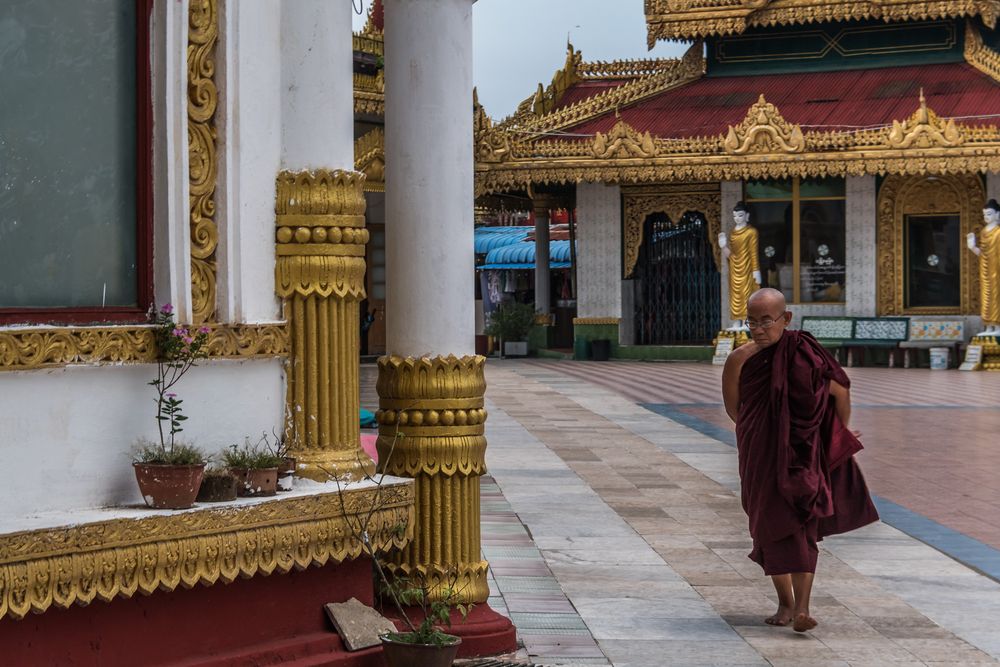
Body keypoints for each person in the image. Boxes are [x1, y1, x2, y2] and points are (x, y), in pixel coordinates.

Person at [721, 288, 878, 632]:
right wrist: (761, 432)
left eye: (766, 321)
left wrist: (833, 435)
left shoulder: (805, 354)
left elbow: (840, 391)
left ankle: (803, 607)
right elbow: (734, 408)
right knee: (765, 523)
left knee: (802, 521)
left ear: (786, 319)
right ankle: (785, 603)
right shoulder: (740, 359)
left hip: (803, 454)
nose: (759, 329)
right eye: (752, 322)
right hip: (759, 452)